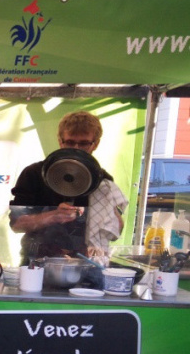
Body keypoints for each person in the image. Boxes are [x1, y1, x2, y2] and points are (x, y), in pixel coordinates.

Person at [9, 111, 127, 265]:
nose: (76, 149)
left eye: (84, 143)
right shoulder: (34, 174)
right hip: (37, 263)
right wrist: (53, 216)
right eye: (70, 142)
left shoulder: (102, 182)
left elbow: (114, 231)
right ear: (60, 141)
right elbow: (17, 224)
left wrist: (111, 218)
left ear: (95, 144)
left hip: (83, 264)